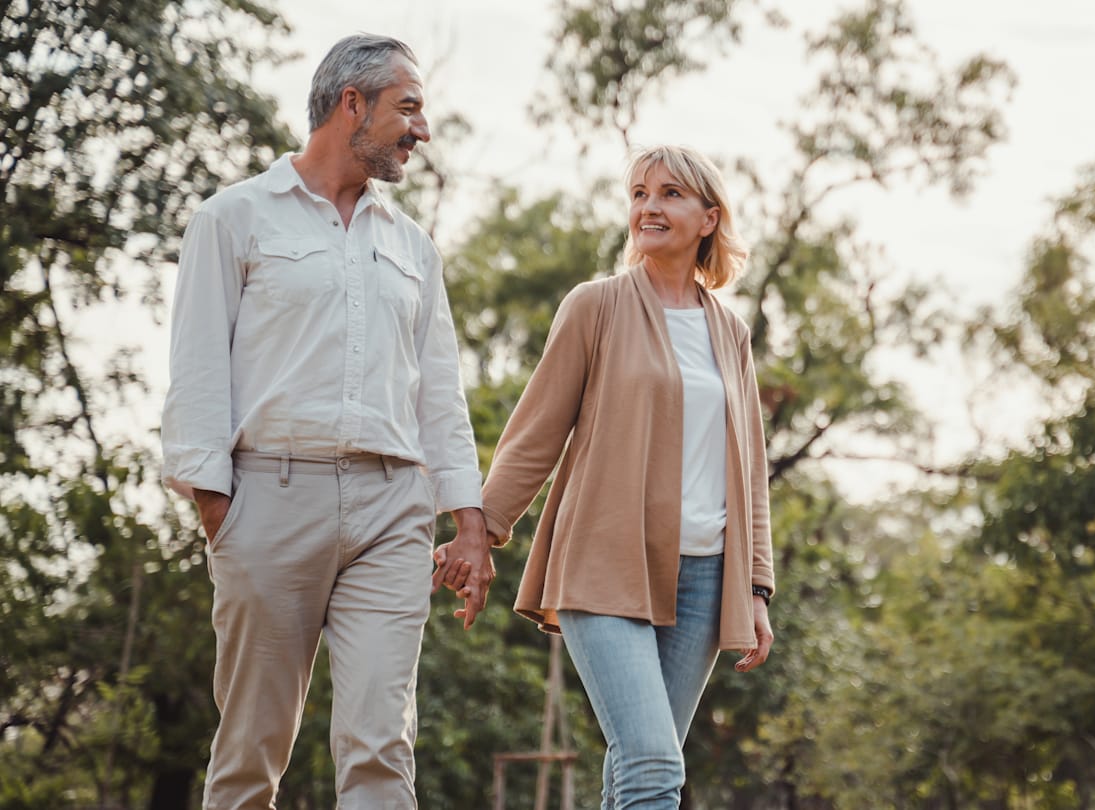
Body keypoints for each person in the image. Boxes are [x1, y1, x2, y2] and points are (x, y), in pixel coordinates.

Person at [161, 34, 494, 809]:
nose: (421, 129)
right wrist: (221, 512)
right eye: (407, 107)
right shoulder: (233, 218)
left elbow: (438, 393)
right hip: (269, 500)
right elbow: (199, 374)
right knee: (252, 747)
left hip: (391, 513)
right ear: (353, 105)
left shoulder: (414, 247)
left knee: (381, 747)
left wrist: (468, 521)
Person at [435, 144, 776, 808]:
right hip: (604, 560)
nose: (649, 206)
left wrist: (757, 585)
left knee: (634, 769)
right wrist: (481, 531)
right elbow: (535, 434)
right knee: (654, 764)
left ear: (709, 218)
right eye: (640, 193)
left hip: (705, 578)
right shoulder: (595, 307)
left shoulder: (730, 333)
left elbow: (751, 469)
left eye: (670, 194)